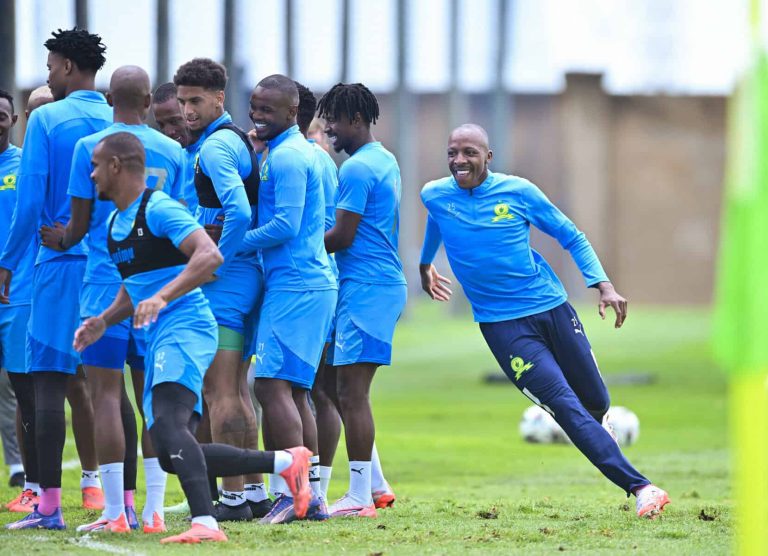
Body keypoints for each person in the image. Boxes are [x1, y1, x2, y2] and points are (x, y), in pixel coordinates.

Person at [419, 123, 670, 519]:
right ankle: (642, 487)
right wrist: (424, 263)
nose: (459, 161)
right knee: (566, 407)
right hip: (504, 328)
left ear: (489, 156)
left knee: (596, 402)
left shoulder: (518, 192)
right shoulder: (434, 194)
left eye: (469, 152)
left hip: (551, 308)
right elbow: (436, 218)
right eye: (452, 152)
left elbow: (570, 235)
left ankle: (599, 433)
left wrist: (602, 285)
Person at [71, 132, 311, 543]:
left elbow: (210, 255)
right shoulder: (114, 224)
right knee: (169, 452)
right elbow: (135, 287)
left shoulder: (159, 208)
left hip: (187, 324)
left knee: (166, 423)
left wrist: (163, 297)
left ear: (116, 166)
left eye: (95, 165)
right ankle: (287, 462)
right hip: (162, 331)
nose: (90, 174)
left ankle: (205, 522)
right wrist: (104, 321)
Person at [39, 66, 186, 534]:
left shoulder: (92, 148)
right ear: (147, 102)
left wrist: (59, 240)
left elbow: (78, 228)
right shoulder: (173, 151)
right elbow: (175, 222)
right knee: (152, 402)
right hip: (153, 292)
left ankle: (114, 514)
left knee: (104, 396)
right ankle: (156, 510)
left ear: (109, 98)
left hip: (103, 285)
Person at [1, 28, 113, 531]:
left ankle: (47, 507)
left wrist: (7, 261)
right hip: (112, 270)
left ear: (67, 66)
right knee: (109, 389)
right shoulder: (115, 119)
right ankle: (122, 503)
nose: (47, 74)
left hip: (59, 265)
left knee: (47, 385)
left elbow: (28, 203)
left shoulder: (46, 118)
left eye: (49, 65)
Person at [174, 58, 265, 521]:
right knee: (235, 391)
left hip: (227, 282)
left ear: (218, 99)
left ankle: (231, 497)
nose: (187, 110)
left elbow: (240, 212)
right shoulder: (231, 140)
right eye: (182, 100)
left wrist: (216, 261)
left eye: (195, 101)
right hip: (245, 277)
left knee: (219, 390)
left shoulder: (215, 148)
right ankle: (252, 491)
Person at [244, 74, 337, 524]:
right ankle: (310, 497)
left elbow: (285, 225)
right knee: (296, 391)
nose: (257, 116)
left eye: (267, 110)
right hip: (308, 281)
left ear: (291, 113)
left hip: (297, 284)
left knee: (270, 385)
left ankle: (289, 493)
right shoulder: (297, 152)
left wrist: (232, 242)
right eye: (254, 106)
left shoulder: (288, 158)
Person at [317, 83, 405, 517]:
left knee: (351, 392)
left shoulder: (355, 170)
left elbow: (342, 236)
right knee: (332, 386)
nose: (327, 127)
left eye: (333, 118)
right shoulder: (382, 158)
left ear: (356, 120)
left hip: (368, 288)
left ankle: (356, 498)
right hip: (372, 285)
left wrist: (296, 243)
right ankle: (375, 484)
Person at [0, 90, 27, 493]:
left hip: (15, 293)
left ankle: (20, 465)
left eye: (1, 115)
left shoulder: (24, 167)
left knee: (16, 385)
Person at [151, 82, 201, 214]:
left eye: (174, 121)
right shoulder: (172, 158)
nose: (168, 132)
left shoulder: (215, 149)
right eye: (161, 125)